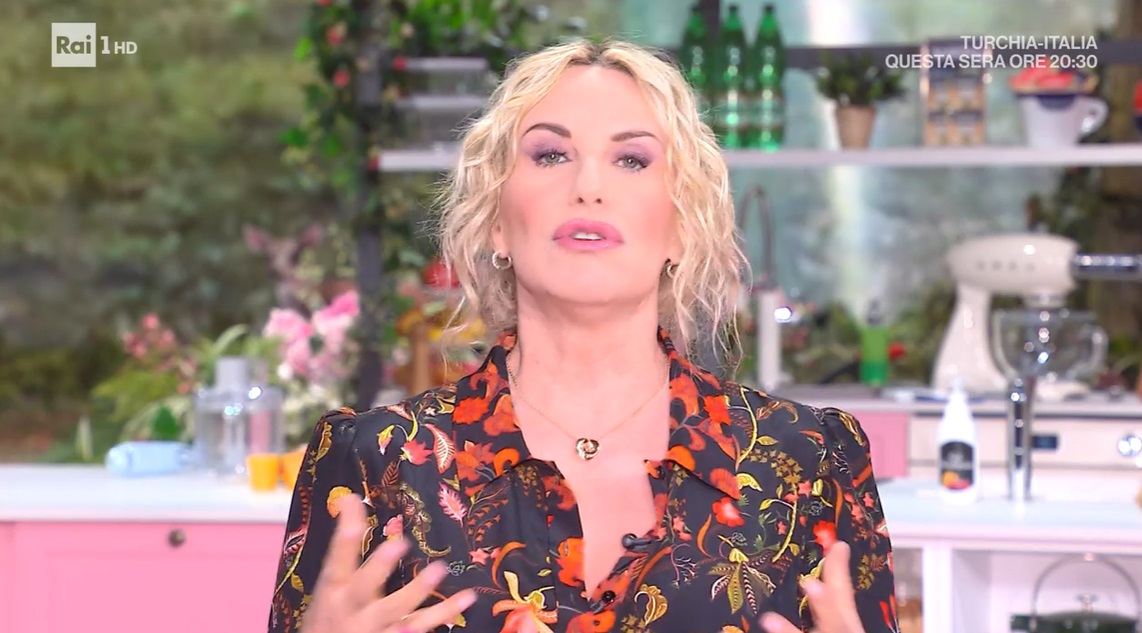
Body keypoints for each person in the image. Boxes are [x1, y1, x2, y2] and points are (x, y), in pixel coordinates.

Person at [268, 38, 898, 633]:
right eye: (550, 155)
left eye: (632, 160)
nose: (588, 187)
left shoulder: (812, 461)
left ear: (682, 227)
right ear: (496, 222)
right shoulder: (374, 460)